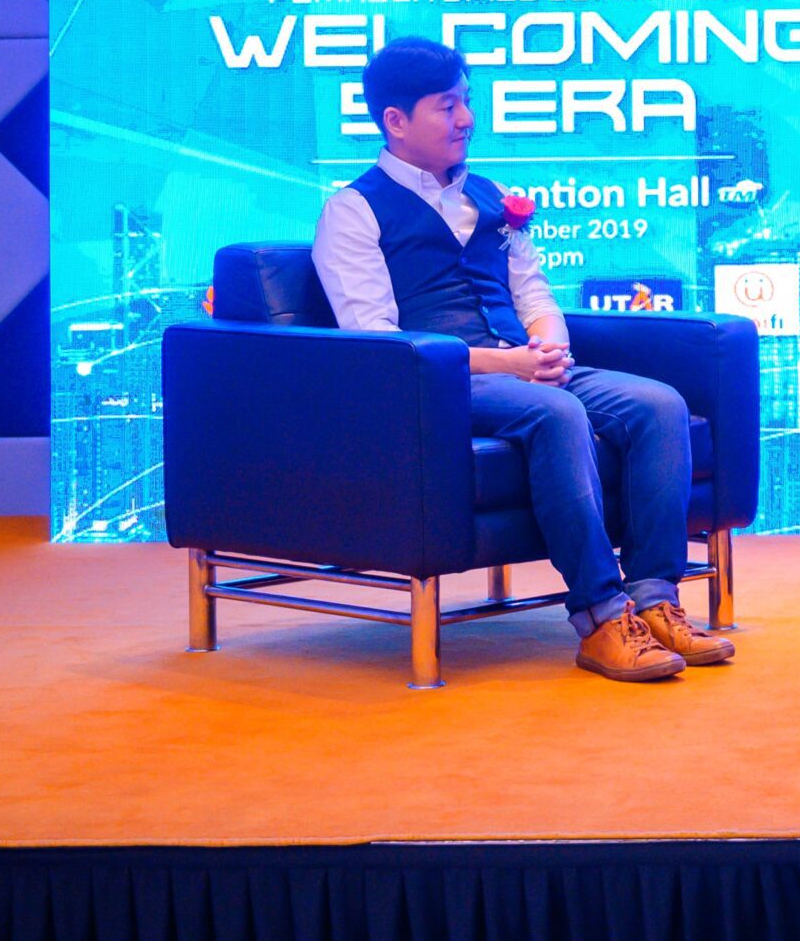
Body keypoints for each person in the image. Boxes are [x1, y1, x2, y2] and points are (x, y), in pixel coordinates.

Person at [312, 37, 729, 683]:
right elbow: (379, 341)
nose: (466, 118)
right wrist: (508, 366)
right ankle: (600, 617)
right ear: (395, 120)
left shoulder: (491, 196)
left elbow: (532, 293)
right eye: (446, 106)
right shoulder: (352, 210)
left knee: (659, 404)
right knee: (555, 413)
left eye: (467, 101)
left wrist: (549, 346)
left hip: (528, 367)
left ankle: (653, 599)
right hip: (440, 384)